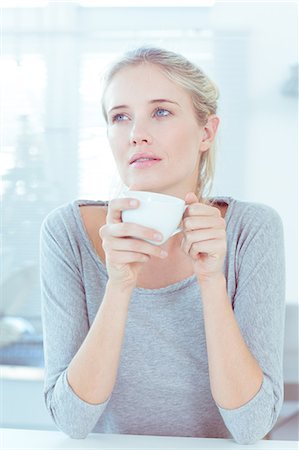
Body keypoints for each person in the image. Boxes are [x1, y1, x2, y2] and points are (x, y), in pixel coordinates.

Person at [40, 46, 285, 444]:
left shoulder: (251, 230)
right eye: (120, 117)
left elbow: (251, 427)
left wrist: (210, 279)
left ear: (206, 132)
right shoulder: (66, 232)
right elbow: (72, 420)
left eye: (161, 111)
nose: (136, 133)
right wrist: (118, 286)